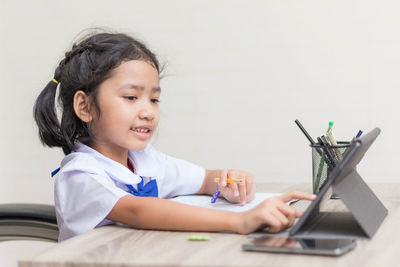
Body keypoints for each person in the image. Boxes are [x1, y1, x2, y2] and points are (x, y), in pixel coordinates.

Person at [34, 31, 315, 242]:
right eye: (131, 97)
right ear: (85, 107)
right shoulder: (80, 174)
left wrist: (225, 181)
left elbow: (204, 179)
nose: (148, 112)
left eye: (154, 100)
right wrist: (240, 220)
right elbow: (136, 211)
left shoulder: (145, 160)